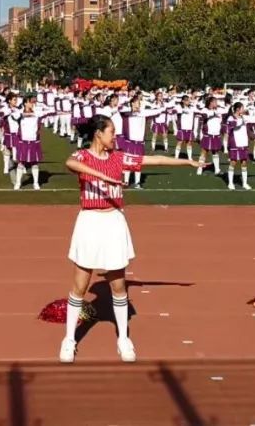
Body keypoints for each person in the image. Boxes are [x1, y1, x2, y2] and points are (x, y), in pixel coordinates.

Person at [59, 115, 199, 364]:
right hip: (90, 222)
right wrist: (104, 177)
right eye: (112, 132)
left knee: (119, 286)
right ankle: (69, 339)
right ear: (98, 134)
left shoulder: (119, 157)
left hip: (113, 222)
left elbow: (152, 159)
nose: (115, 137)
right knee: (79, 286)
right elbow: (70, 163)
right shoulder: (82, 156)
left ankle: (123, 338)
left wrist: (185, 161)